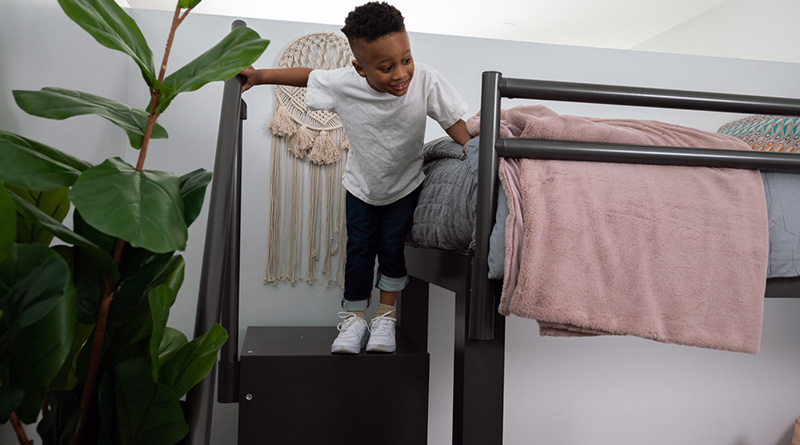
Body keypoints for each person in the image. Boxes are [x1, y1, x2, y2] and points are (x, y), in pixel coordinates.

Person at [240, 1, 472, 354]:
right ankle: (353, 319)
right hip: (361, 187)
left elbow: (450, 119)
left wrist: (471, 147)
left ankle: (385, 317)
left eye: (405, 60)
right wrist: (259, 77)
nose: (400, 74)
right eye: (386, 67)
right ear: (360, 69)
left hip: (405, 185)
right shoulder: (345, 83)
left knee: (392, 250)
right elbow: (307, 76)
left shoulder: (425, 80)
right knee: (360, 251)